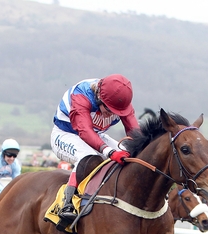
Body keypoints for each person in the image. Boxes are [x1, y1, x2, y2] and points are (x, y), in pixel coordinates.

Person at [50, 74, 140, 224]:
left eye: (116, 112)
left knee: (129, 152)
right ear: (98, 96)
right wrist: (109, 152)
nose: (111, 114)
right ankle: (67, 203)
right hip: (65, 134)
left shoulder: (120, 101)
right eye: (109, 109)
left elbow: (135, 133)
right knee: (88, 155)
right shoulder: (81, 95)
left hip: (97, 135)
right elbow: (84, 131)